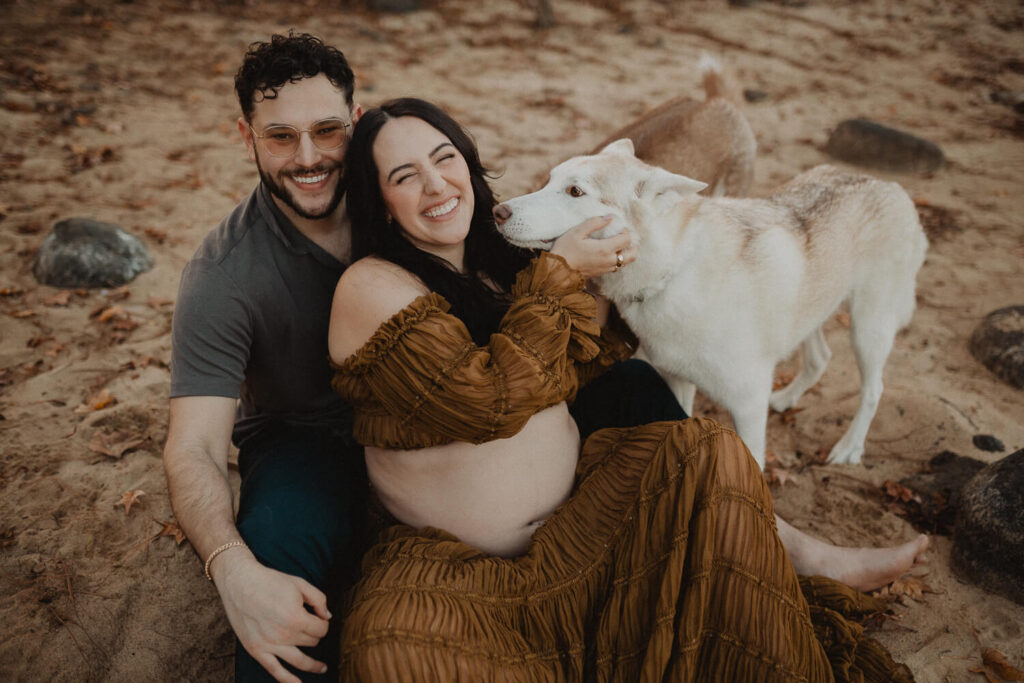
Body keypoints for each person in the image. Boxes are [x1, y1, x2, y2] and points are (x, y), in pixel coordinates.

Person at [328, 97, 925, 680]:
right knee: (393, 655)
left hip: (585, 526)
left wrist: (633, 269)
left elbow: (586, 363)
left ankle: (804, 554)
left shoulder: (503, 262)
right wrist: (561, 274)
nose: (436, 185)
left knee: (707, 452)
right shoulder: (371, 286)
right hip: (460, 572)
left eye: (446, 158)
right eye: (406, 175)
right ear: (379, 204)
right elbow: (489, 403)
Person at [162, 33, 685, 683]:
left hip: (448, 404)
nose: (308, 157)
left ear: (356, 126)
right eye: (279, 137)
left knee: (634, 386)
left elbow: (508, 271)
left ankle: (770, 541)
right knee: (275, 540)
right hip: (317, 438)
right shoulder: (224, 275)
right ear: (247, 138)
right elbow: (193, 449)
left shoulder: (410, 194)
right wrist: (229, 568)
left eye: (326, 131)